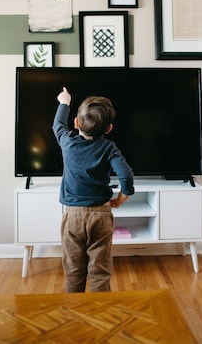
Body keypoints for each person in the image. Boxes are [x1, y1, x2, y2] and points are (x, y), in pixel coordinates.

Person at [53, 87, 134, 293]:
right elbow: (126, 175)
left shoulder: (67, 142)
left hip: (73, 216)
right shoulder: (109, 148)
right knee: (99, 270)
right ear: (108, 129)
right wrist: (122, 197)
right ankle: (101, 315)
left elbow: (57, 125)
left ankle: (74, 314)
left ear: (76, 123)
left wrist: (65, 103)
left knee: (73, 269)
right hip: (101, 214)